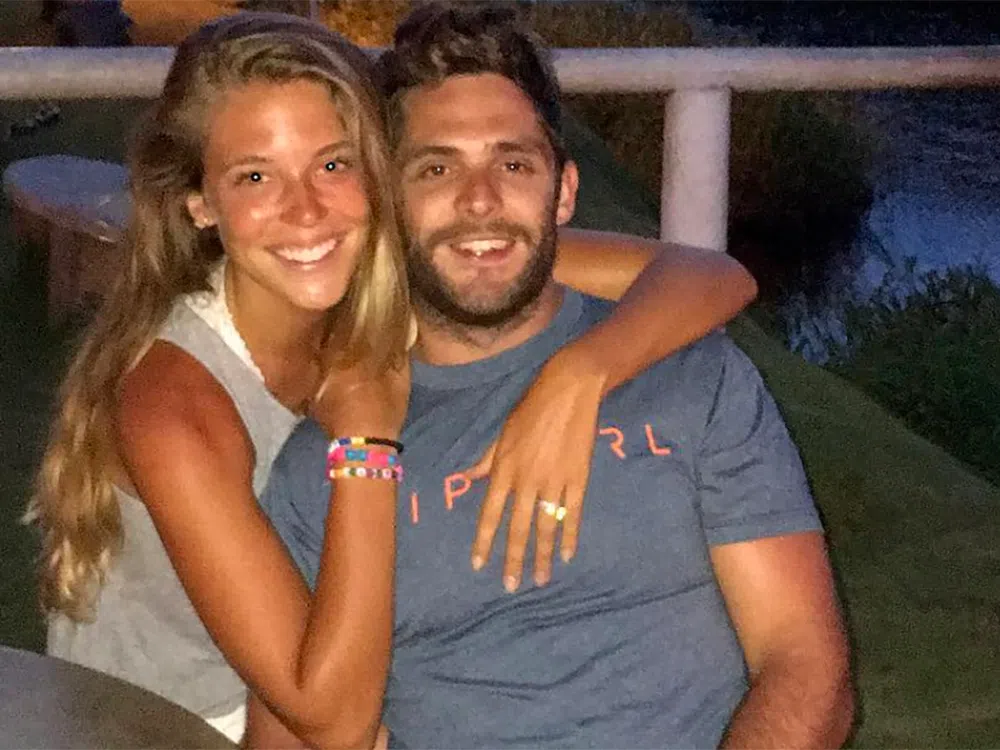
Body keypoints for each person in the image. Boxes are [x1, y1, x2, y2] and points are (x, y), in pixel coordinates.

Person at [24, 11, 757, 748]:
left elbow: (705, 275)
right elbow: (331, 719)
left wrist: (578, 376)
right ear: (200, 204)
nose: (306, 211)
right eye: (255, 176)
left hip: (334, 682)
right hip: (175, 727)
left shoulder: (392, 265)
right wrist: (365, 440)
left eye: (333, 165)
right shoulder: (173, 405)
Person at [261, 4, 854, 748]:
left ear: (564, 192)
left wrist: (579, 374)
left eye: (513, 164)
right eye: (437, 168)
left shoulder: (692, 377)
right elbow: (292, 733)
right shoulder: (327, 465)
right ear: (388, 202)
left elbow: (805, 666)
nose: (480, 200)